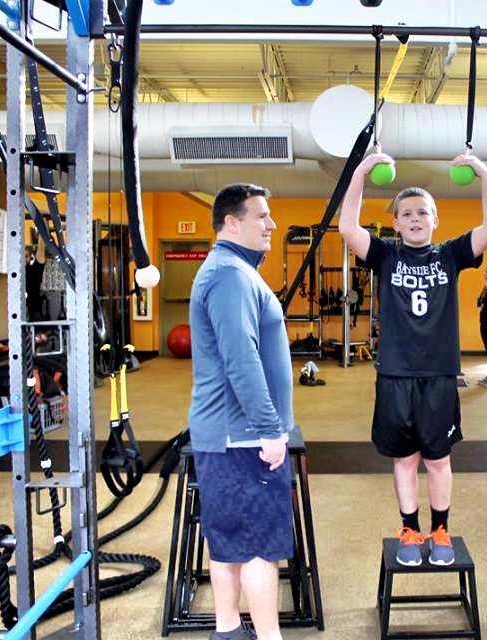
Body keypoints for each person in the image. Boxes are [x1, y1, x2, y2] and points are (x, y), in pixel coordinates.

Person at [339, 152, 487, 567]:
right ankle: (410, 528)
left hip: (439, 376)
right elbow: (347, 227)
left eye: (423, 212)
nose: (414, 218)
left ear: (435, 220)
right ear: (395, 222)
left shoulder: (449, 255)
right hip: (394, 375)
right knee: (405, 460)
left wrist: (483, 174)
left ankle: (440, 528)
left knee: (439, 459)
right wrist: (359, 172)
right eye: (406, 213)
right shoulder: (385, 255)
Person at [188, 183, 294, 640]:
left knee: (229, 537)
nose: (271, 224)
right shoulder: (230, 275)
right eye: (262, 216)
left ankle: (229, 630)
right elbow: (241, 359)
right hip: (244, 436)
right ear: (232, 222)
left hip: (229, 434)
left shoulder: (233, 270)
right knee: (257, 547)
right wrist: (270, 429)